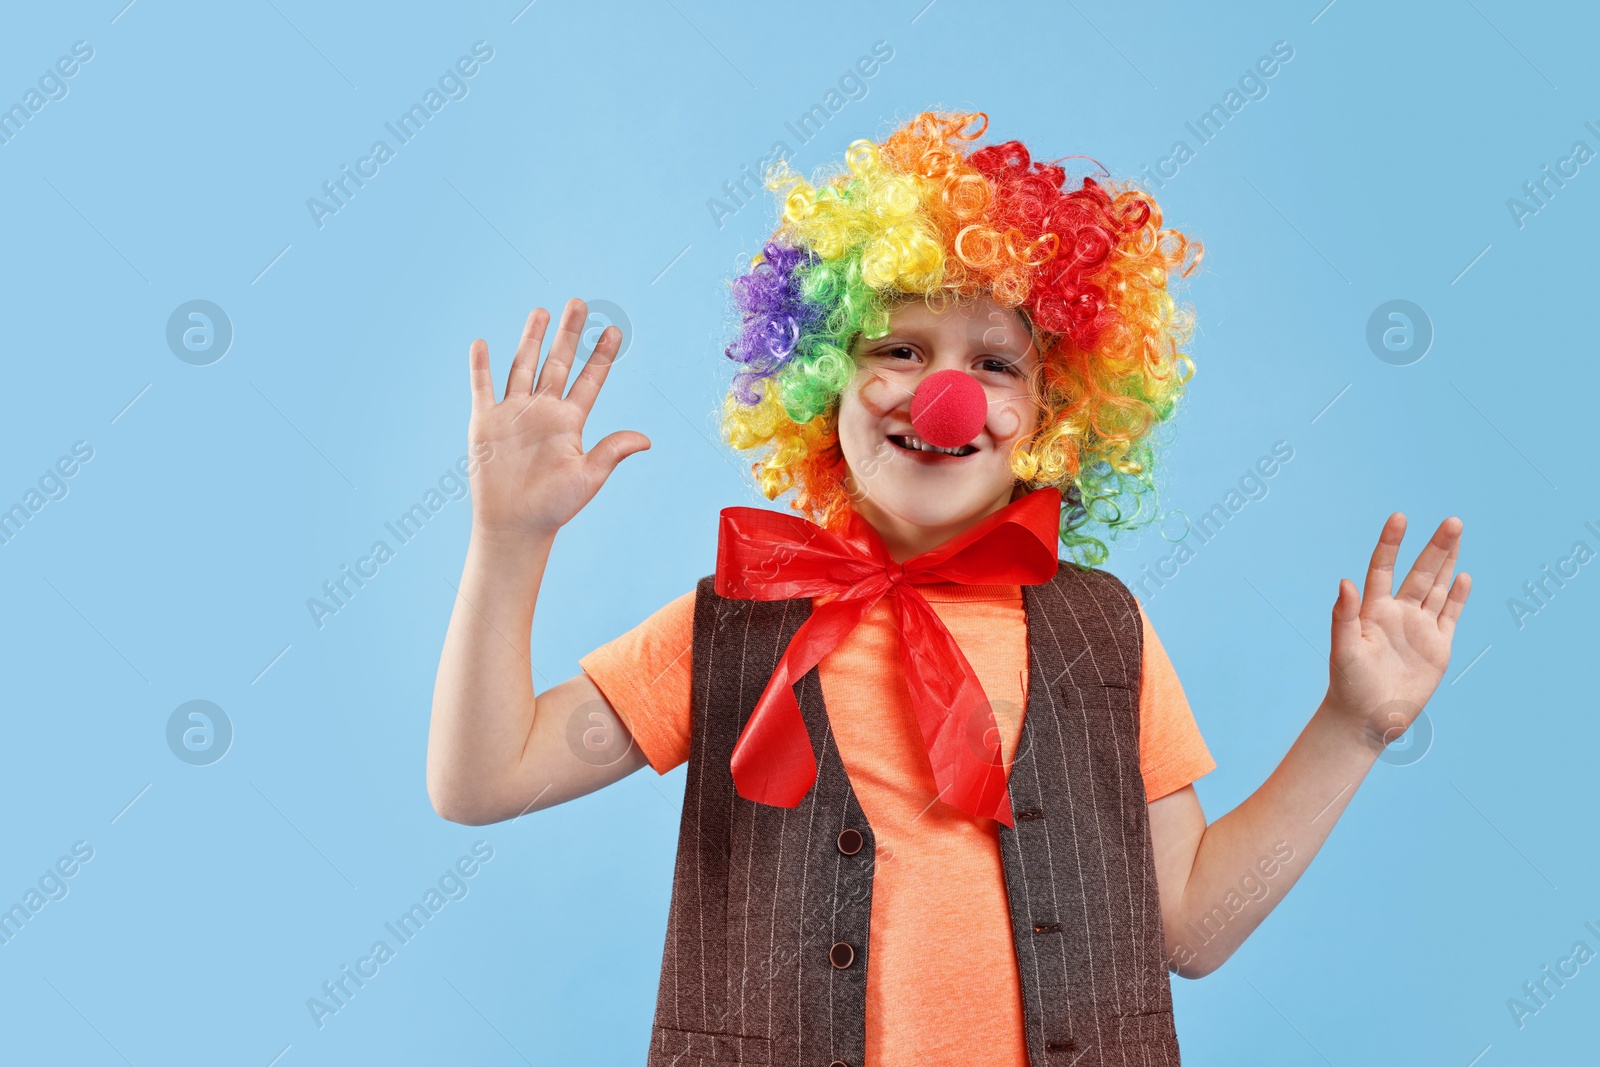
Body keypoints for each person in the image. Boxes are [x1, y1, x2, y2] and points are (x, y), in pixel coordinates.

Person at [426, 110, 1471, 1066]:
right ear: (815, 377)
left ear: (1056, 411)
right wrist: (509, 540)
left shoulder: (1100, 631)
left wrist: (1354, 726)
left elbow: (1191, 925)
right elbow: (482, 779)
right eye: (899, 348)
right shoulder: (739, 617)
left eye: (996, 363)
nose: (945, 392)